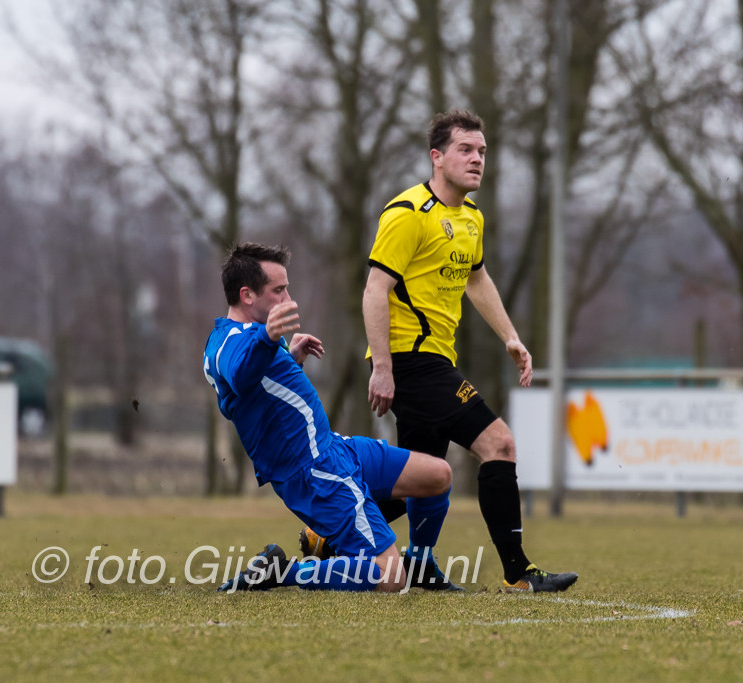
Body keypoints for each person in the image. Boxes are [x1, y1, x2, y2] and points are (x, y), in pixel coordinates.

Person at [302, 109, 577, 593]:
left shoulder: (471, 218)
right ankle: (517, 572)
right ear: (437, 157)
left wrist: (510, 336)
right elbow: (375, 291)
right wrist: (382, 368)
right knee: (499, 444)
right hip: (410, 362)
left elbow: (477, 279)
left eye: (482, 151)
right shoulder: (407, 213)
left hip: (436, 360)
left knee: (424, 476)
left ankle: (340, 537)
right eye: (465, 150)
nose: (477, 159)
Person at [203, 243, 455, 593]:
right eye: (278, 290)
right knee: (391, 578)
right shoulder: (229, 342)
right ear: (247, 295)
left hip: (335, 448)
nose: (288, 298)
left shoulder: (253, 337)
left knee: (438, 475)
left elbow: (260, 391)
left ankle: (422, 563)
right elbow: (241, 374)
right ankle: (283, 572)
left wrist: (290, 357)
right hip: (314, 471)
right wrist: (268, 337)